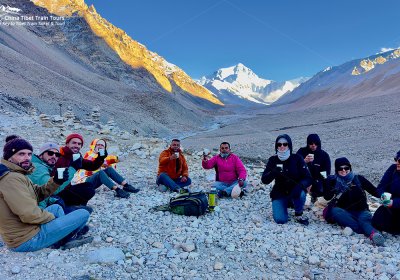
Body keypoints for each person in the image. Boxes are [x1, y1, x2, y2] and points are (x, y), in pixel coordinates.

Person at [0, 136, 92, 251]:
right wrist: (52, 218)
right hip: (26, 240)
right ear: (9, 157)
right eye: (21, 154)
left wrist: (55, 182)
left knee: (56, 208)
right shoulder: (11, 179)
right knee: (83, 213)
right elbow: (29, 214)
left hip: (25, 230)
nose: (27, 158)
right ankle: (65, 238)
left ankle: (62, 237)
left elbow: (37, 193)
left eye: (29, 154)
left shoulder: (17, 174)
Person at [323, 157, 384, 246]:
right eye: (340, 168)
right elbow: (327, 197)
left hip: (362, 211)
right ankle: (367, 230)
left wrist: (386, 197)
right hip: (344, 212)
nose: (344, 170)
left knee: (364, 220)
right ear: (336, 170)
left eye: (346, 168)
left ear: (350, 168)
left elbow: (374, 191)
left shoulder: (358, 179)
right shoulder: (333, 181)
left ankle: (374, 235)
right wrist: (327, 183)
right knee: (335, 211)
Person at [261, 134, 312, 225]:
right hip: (279, 192)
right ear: (276, 146)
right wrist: (274, 172)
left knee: (301, 194)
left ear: (289, 145)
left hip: (295, 190)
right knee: (280, 220)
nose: (282, 146)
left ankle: (298, 213)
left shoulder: (297, 158)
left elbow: (308, 178)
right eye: (279, 144)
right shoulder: (273, 160)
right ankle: (287, 203)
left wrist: (300, 186)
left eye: (285, 144)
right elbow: (264, 180)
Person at [71, 138, 139, 199]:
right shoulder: (89, 154)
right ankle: (117, 190)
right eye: (98, 144)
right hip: (83, 183)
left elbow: (108, 159)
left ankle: (126, 186)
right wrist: (101, 158)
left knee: (108, 169)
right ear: (94, 145)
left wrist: (117, 159)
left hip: (92, 181)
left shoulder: (101, 156)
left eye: (102, 145)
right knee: (100, 172)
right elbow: (92, 166)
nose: (100, 146)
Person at [52, 133, 106, 207]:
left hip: (67, 186)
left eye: (79, 144)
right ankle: (69, 206)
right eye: (74, 143)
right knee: (88, 191)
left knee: (89, 185)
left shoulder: (76, 156)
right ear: (67, 143)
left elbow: (90, 166)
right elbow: (56, 180)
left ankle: (77, 205)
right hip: (56, 190)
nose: (76, 145)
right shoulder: (60, 156)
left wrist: (100, 158)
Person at [296, 134, 331, 203]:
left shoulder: (324, 155)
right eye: (311, 143)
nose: (313, 145)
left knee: (322, 187)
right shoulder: (301, 152)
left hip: (317, 179)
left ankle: (315, 197)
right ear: (308, 143)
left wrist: (316, 181)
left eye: (316, 143)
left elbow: (326, 172)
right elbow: (294, 166)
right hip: (304, 178)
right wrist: (304, 161)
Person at [372, 151, 400, 235]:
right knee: (376, 220)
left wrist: (393, 202)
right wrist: (383, 196)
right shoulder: (393, 169)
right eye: (396, 159)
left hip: (395, 203)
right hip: (390, 206)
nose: (397, 162)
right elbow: (381, 187)